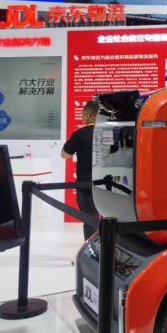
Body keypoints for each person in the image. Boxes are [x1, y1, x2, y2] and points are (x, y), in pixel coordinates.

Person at [62, 101, 99, 240]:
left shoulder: (79, 134)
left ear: (88, 116)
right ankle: (110, 248)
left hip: (86, 184)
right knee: (110, 220)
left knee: (90, 221)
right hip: (108, 184)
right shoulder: (109, 133)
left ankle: (93, 249)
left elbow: (65, 155)